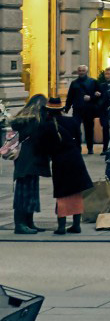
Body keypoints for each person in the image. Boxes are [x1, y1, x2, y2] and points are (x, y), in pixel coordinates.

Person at [40, 97, 93, 235]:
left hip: (60, 161)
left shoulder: (47, 125)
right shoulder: (72, 121)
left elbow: (45, 147)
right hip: (75, 159)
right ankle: (76, 225)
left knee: (62, 193)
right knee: (76, 192)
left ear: (48, 111)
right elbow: (79, 139)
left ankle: (61, 226)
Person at [9, 95, 51, 234]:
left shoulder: (23, 120)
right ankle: (21, 224)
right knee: (26, 192)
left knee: (28, 191)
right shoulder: (36, 121)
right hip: (31, 159)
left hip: (24, 160)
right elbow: (42, 138)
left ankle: (28, 222)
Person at [65, 66, 99, 154]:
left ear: (86, 71)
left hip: (88, 109)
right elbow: (70, 96)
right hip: (77, 109)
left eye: (83, 70)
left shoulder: (93, 82)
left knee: (89, 129)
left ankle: (90, 148)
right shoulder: (74, 83)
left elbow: (99, 95)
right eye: (79, 70)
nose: (81, 72)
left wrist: (91, 98)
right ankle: (77, 147)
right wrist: (66, 108)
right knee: (76, 128)